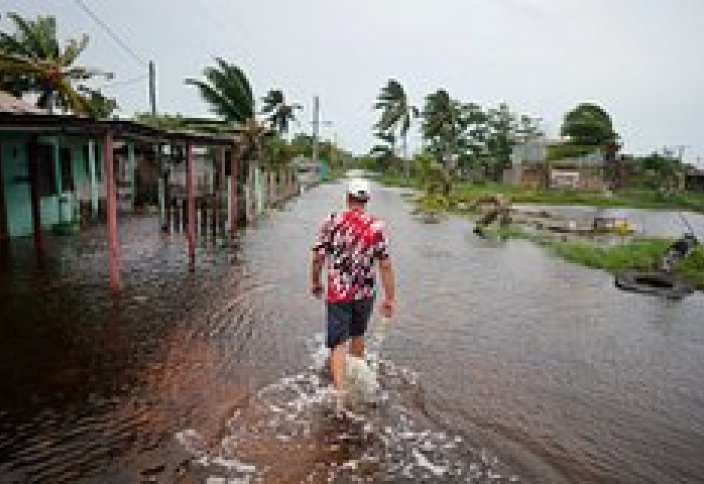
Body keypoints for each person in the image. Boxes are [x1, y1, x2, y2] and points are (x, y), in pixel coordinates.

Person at [310, 177, 396, 396]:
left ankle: (340, 393)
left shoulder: (332, 221)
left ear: (347, 197)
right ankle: (357, 382)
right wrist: (390, 297)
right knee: (358, 334)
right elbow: (385, 264)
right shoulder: (376, 226)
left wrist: (315, 281)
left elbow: (319, 256)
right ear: (366, 199)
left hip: (338, 291)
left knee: (338, 342)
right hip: (365, 291)